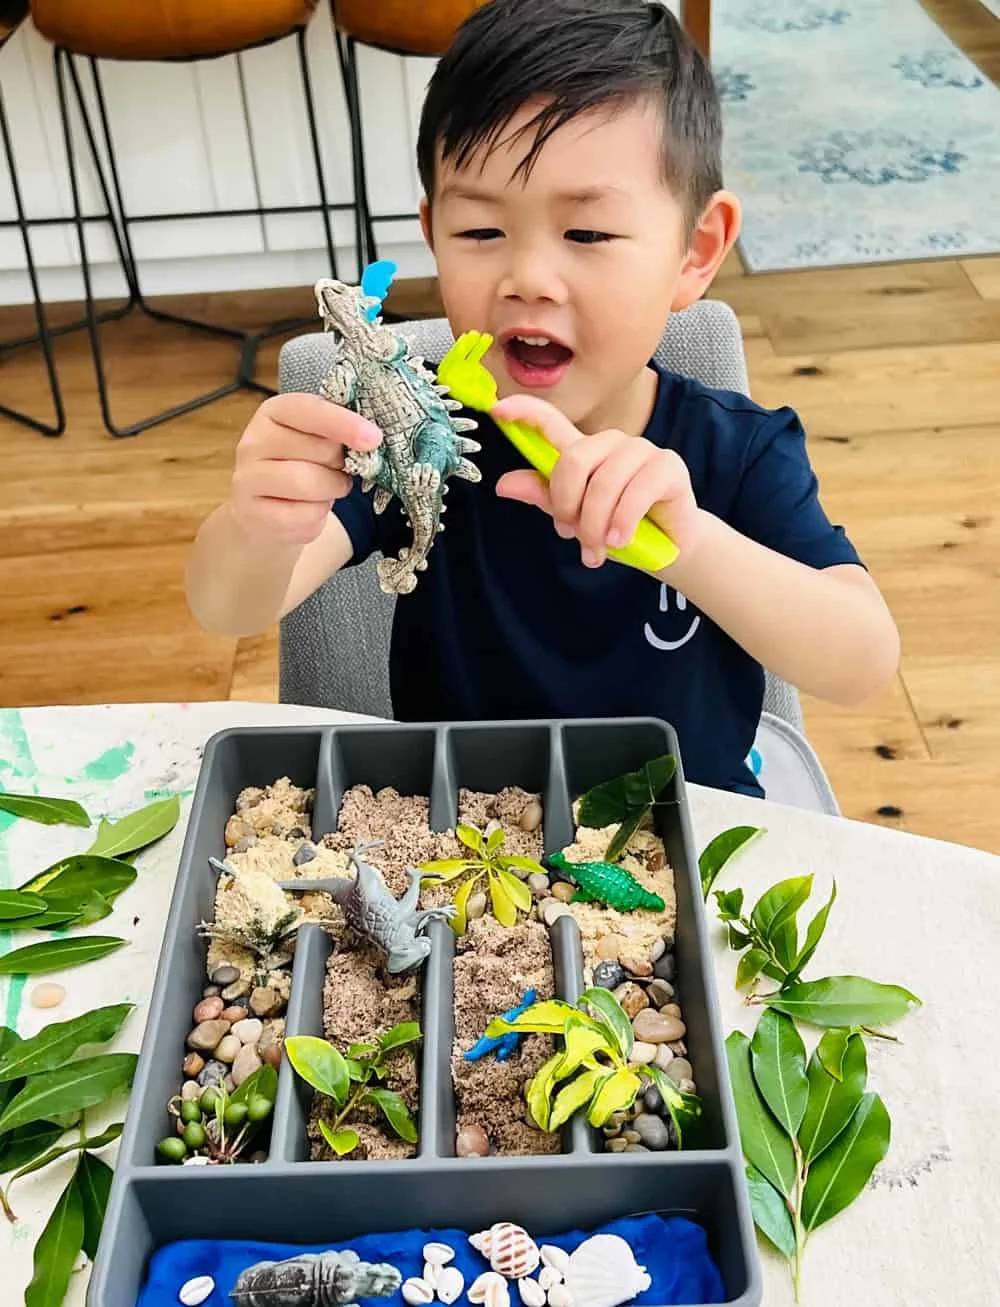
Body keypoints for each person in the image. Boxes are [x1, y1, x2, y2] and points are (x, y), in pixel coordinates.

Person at [185, 0, 899, 797]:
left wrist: (692, 545)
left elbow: (863, 658)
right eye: (482, 233)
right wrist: (259, 524)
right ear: (433, 233)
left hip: (685, 837)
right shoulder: (420, 433)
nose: (526, 277)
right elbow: (230, 606)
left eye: (586, 234)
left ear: (695, 252)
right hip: (461, 840)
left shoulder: (738, 451)